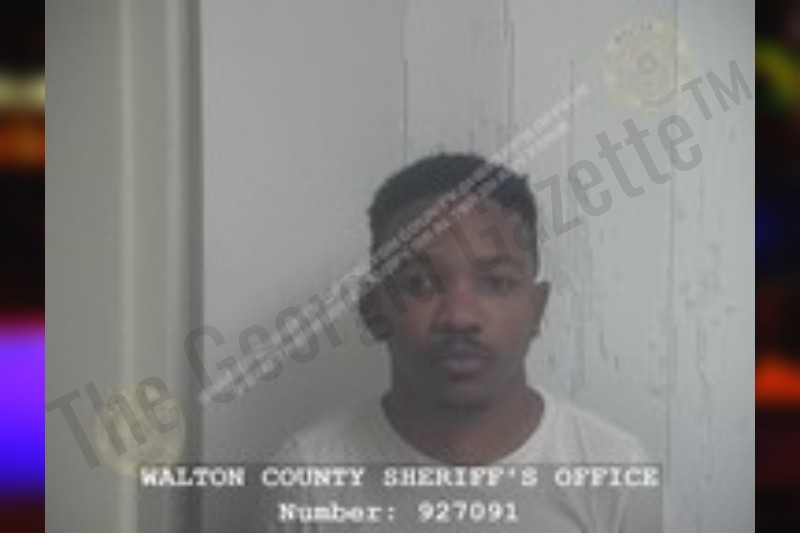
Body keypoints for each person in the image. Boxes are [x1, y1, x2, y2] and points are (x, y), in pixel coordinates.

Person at [256, 153, 657, 532]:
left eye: (496, 283)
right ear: (373, 310)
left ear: (537, 309)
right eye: (420, 283)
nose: (459, 316)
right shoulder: (308, 480)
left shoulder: (616, 474)